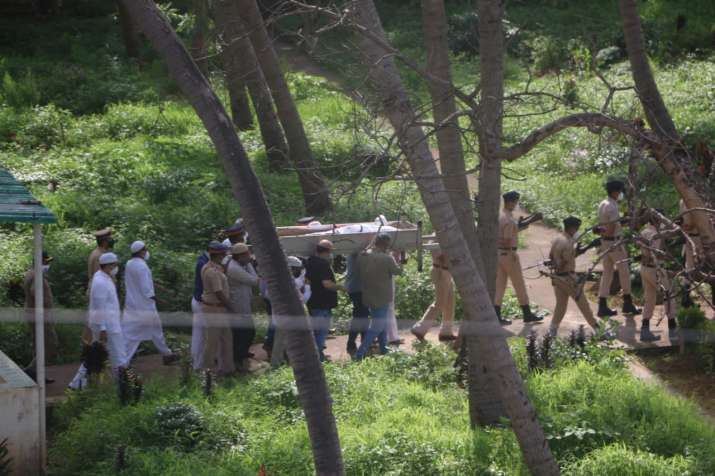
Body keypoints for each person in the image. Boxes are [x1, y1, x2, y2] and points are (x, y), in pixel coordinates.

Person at [69, 252, 127, 389]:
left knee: (95, 355)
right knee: (119, 356)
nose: (116, 267)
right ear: (108, 265)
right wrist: (102, 329)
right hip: (107, 326)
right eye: (115, 265)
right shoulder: (101, 281)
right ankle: (125, 386)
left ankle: (76, 384)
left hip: (106, 324)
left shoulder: (103, 277)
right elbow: (99, 306)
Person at [122, 241, 177, 364]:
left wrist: (159, 286)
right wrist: (161, 301)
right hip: (145, 308)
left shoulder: (129, 263)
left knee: (156, 330)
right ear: (141, 251)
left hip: (132, 305)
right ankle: (122, 364)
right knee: (133, 337)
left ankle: (167, 354)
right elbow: (146, 290)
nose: (147, 252)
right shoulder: (142, 266)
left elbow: (143, 281)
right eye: (145, 249)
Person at [547, 217, 603, 337]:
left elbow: (553, 257)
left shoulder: (558, 238)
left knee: (561, 306)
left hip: (557, 279)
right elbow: (564, 263)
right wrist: (576, 278)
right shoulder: (567, 243)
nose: (578, 231)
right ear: (572, 228)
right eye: (577, 228)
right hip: (568, 279)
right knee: (584, 305)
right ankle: (597, 329)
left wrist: (585, 248)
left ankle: (552, 330)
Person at [494, 191, 543, 324]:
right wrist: (512, 252)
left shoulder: (501, 214)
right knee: (519, 284)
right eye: (515, 202)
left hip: (498, 254)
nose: (515, 204)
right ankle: (527, 313)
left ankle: (496, 315)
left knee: (500, 285)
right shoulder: (508, 219)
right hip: (509, 253)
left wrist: (528, 221)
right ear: (511, 202)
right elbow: (506, 239)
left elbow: (511, 230)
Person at [354, 234, 403, 360]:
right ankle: (360, 353)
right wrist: (402, 260)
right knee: (377, 326)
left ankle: (383, 348)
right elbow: (398, 272)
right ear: (386, 245)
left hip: (368, 295)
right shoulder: (387, 258)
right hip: (382, 296)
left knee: (382, 322)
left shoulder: (362, 255)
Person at [596, 179, 641, 317]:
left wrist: (620, 222)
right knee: (624, 272)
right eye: (620, 191)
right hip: (614, 243)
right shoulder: (613, 207)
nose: (621, 194)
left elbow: (606, 226)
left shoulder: (603, 204)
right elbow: (610, 230)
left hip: (604, 243)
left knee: (607, 273)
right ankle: (627, 303)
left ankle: (602, 305)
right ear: (615, 192)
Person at [639, 210, 677, 342]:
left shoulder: (645, 231)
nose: (662, 220)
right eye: (660, 218)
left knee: (649, 299)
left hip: (644, 269)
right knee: (669, 295)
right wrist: (667, 257)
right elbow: (655, 254)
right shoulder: (654, 234)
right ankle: (672, 329)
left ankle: (644, 330)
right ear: (656, 219)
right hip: (655, 269)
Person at [199, 241, 235, 376]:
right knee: (212, 342)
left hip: (218, 309)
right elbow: (219, 293)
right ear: (219, 254)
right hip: (214, 309)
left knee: (226, 339)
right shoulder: (212, 272)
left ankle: (227, 369)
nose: (225, 255)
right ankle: (208, 372)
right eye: (223, 253)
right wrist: (231, 307)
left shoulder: (212, 267)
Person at [305, 239, 344, 362]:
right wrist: (341, 287)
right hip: (322, 302)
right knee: (321, 331)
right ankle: (318, 357)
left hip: (312, 300)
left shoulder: (309, 262)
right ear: (327, 252)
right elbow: (327, 284)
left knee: (316, 330)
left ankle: (316, 355)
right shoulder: (322, 264)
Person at [23, 251, 58, 383]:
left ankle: (38, 375)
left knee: (38, 346)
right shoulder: (36, 276)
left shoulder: (31, 273)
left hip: (33, 314)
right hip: (40, 316)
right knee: (50, 345)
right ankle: (30, 370)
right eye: (46, 261)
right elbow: (36, 294)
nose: (48, 264)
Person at [225, 243, 259, 369]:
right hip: (238, 306)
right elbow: (255, 281)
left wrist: (247, 262)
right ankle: (238, 360)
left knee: (246, 333)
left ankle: (242, 354)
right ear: (240, 256)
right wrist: (250, 264)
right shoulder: (234, 268)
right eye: (247, 255)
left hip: (242, 304)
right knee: (244, 333)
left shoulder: (239, 264)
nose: (249, 257)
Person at [411, 249, 456, 341]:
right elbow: (440, 256)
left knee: (450, 303)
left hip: (446, 272)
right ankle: (420, 328)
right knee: (440, 303)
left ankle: (446, 332)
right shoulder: (437, 237)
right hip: (440, 271)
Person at [191, 245, 210, 370]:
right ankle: (198, 364)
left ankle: (196, 362)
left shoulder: (202, 260)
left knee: (199, 334)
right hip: (201, 303)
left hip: (197, 301)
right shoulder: (204, 264)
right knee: (202, 335)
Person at [345, 252, 368, 355]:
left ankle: (361, 342)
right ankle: (353, 343)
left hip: (355, 288)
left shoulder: (353, 254)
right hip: (358, 289)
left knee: (362, 315)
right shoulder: (355, 254)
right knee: (360, 316)